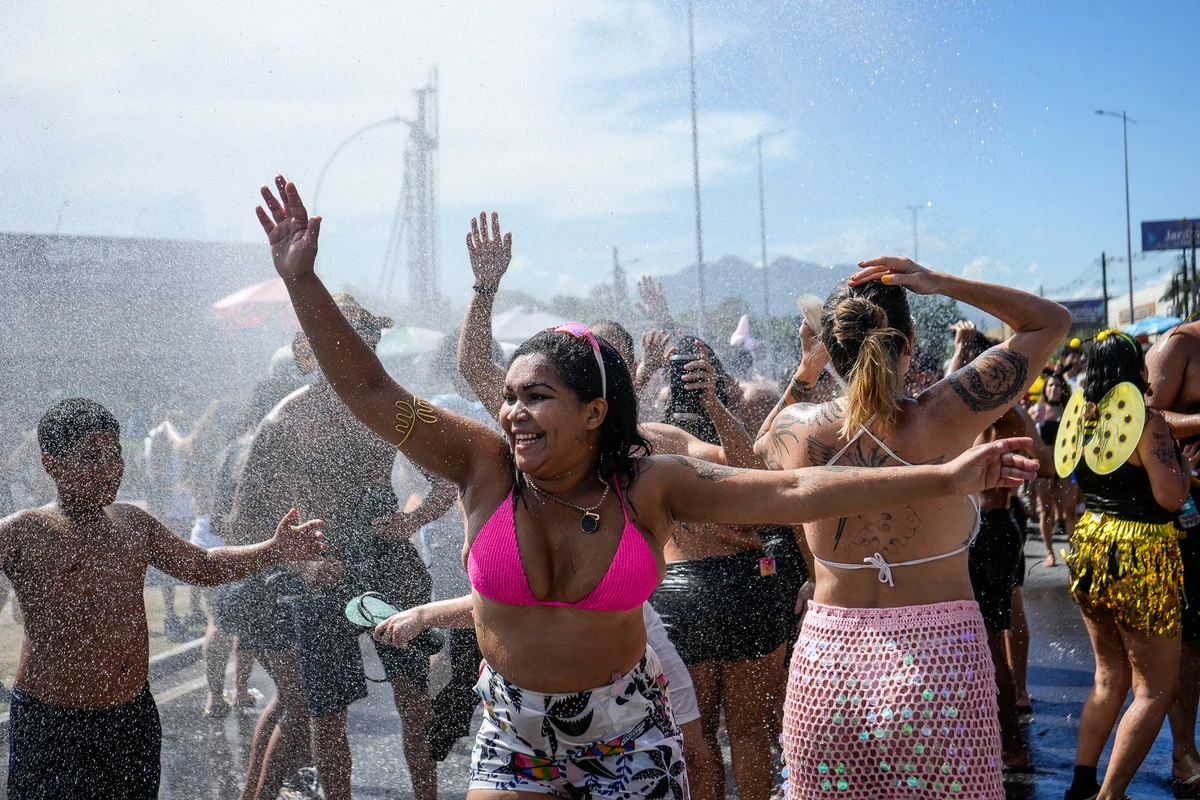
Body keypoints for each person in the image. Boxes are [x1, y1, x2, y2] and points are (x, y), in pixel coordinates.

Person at [255, 177, 1038, 799]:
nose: (512, 412)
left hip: (627, 735)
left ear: (594, 412)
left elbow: (792, 491)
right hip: (512, 736)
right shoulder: (480, 463)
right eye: (510, 396)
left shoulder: (652, 480)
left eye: (536, 397)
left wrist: (944, 475)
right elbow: (371, 389)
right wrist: (303, 283)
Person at [755, 256, 1070, 799]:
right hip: (939, 665)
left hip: (828, 670)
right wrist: (937, 282)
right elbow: (1050, 322)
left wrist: (806, 372)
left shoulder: (797, 430)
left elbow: (756, 452)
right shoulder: (947, 413)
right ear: (909, 343)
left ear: (832, 348)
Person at [0, 398, 325, 800]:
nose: (109, 468)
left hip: (131, 716)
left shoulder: (132, 523)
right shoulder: (25, 531)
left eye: (115, 453)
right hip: (54, 722)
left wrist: (272, 550)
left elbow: (203, 564)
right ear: (51, 464)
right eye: (91, 457)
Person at [227, 294, 452, 800]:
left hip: (390, 564)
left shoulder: (394, 406)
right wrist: (301, 565)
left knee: (414, 700)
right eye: (352, 343)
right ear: (321, 349)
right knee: (325, 713)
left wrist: (412, 520)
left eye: (368, 343)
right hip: (322, 570)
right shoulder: (285, 419)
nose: (362, 353)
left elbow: (451, 480)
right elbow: (243, 521)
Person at [1062, 329, 1196, 800]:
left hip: (1089, 547)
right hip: (1139, 555)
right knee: (1155, 690)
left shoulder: (1084, 416)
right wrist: (1185, 471)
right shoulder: (1146, 420)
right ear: (1136, 369)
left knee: (1108, 677)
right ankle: (1110, 796)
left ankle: (1082, 785)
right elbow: (1170, 496)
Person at [1138, 321, 1200, 792]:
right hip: (1190, 507)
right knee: (1191, 639)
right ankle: (1184, 753)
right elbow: (1146, 418)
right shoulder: (1180, 345)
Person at [1033, 370, 1076, 567]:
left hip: (1065, 464)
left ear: (1063, 389)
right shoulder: (1039, 410)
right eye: (1050, 385)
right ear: (1045, 388)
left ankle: (1073, 552)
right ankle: (1050, 553)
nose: (1054, 389)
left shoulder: (1070, 410)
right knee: (1046, 510)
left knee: (1070, 510)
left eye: (1058, 386)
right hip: (1045, 464)